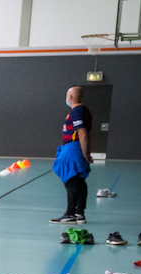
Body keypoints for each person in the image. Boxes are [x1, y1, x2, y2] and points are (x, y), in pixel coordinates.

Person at [51, 86, 93, 224]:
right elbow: (87, 134)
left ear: (71, 97)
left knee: (71, 181)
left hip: (73, 148)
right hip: (76, 148)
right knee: (79, 181)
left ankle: (70, 214)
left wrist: (85, 152)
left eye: (67, 95)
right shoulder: (85, 111)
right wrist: (86, 151)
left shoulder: (76, 111)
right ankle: (79, 213)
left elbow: (82, 133)